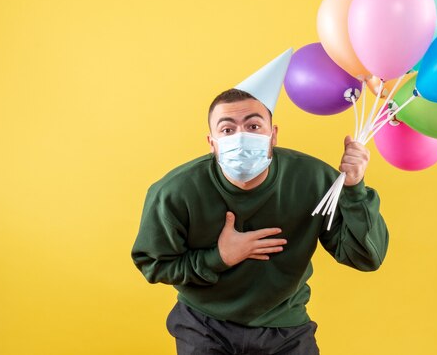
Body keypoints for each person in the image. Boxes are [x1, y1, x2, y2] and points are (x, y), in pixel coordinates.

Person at [131, 49, 389, 355]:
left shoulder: (314, 180)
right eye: (227, 129)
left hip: (285, 327)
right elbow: (153, 264)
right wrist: (220, 257)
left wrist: (354, 189)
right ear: (212, 142)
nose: (240, 137)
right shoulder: (174, 192)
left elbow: (365, 257)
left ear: (273, 134)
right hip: (204, 324)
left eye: (253, 126)